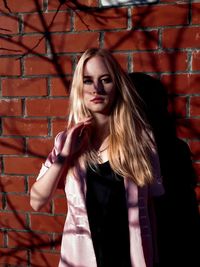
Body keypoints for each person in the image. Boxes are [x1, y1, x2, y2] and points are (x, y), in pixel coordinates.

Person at [30, 48, 164, 267]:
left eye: (105, 80)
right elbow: (36, 201)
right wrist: (65, 155)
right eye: (88, 81)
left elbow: (151, 210)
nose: (97, 89)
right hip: (82, 259)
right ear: (79, 87)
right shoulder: (66, 141)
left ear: (117, 86)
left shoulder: (141, 139)